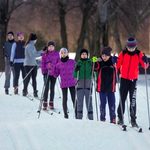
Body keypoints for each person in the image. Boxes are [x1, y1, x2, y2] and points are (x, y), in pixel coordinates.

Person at [116, 37, 149, 127]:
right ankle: (120, 118)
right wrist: (115, 63)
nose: (131, 49)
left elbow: (145, 66)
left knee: (133, 100)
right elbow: (117, 65)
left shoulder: (139, 54)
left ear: (136, 46)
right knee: (122, 98)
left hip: (133, 80)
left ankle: (133, 119)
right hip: (124, 79)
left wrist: (146, 61)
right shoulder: (123, 53)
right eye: (129, 47)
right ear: (126, 46)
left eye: (132, 47)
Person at [94, 47, 116, 124]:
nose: (104, 57)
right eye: (103, 56)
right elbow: (94, 67)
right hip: (102, 88)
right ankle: (102, 118)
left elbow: (119, 65)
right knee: (103, 103)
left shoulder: (113, 62)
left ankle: (113, 118)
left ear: (109, 56)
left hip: (111, 88)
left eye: (106, 56)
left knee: (112, 103)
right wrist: (95, 60)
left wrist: (116, 61)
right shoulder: (100, 62)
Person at [55, 48, 77, 118]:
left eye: (65, 52)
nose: (63, 54)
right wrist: (51, 68)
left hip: (72, 83)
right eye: (62, 53)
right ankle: (65, 114)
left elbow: (77, 69)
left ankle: (77, 114)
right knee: (65, 99)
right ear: (60, 54)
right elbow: (56, 74)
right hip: (64, 83)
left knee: (74, 98)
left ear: (67, 53)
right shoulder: (58, 64)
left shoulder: (72, 62)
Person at [74, 49, 93, 120]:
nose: (84, 55)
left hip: (88, 85)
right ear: (80, 55)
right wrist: (76, 70)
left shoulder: (90, 62)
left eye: (85, 54)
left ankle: (91, 118)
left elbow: (95, 66)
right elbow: (74, 74)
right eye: (82, 54)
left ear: (87, 55)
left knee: (89, 102)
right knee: (79, 103)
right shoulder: (78, 63)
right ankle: (79, 118)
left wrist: (95, 61)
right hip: (80, 86)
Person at [41, 41, 60, 110]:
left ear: (54, 47)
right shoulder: (45, 54)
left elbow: (59, 63)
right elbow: (42, 63)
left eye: (52, 46)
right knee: (46, 88)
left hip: (54, 73)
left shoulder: (57, 54)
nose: (51, 48)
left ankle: (51, 102)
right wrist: (44, 70)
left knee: (52, 88)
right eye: (49, 46)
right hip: (47, 73)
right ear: (48, 47)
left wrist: (57, 72)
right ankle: (45, 102)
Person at [23, 33, 38, 97]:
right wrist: (42, 52)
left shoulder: (32, 45)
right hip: (28, 64)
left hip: (34, 64)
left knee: (34, 79)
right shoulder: (29, 46)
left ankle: (35, 91)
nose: (36, 41)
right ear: (34, 39)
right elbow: (33, 55)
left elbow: (35, 55)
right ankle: (24, 90)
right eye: (36, 39)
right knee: (28, 78)